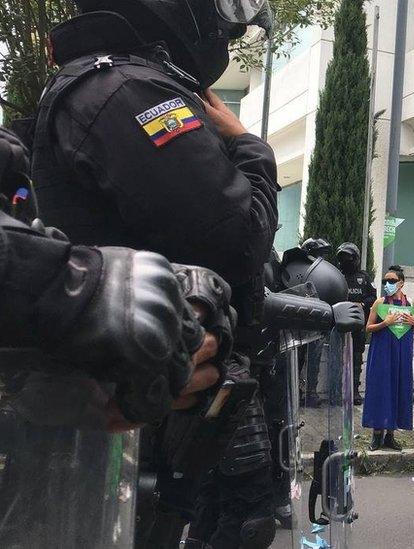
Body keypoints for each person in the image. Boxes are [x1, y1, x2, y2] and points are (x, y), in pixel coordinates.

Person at [29, 3, 281, 546]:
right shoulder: (129, 93)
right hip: (149, 405)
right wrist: (252, 149)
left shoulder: (111, 83)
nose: (228, 33)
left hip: (164, 394)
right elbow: (235, 241)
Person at [363, 266, 414, 451]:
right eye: (386, 280)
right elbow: (368, 328)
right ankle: (376, 434)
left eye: (392, 281)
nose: (389, 284)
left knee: (398, 388)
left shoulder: (409, 302)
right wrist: (385, 323)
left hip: (402, 351)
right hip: (382, 351)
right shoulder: (380, 302)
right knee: (381, 388)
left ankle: (390, 434)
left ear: (401, 283)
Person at [335, 242, 376, 406]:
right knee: (338, 357)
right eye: (342, 257)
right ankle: (338, 391)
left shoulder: (364, 278)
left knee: (357, 357)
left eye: (348, 257)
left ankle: (354, 391)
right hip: (339, 323)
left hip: (358, 324)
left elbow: (373, 297)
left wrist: (362, 304)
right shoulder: (336, 276)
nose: (345, 260)